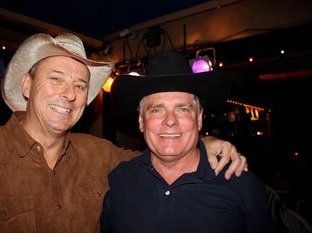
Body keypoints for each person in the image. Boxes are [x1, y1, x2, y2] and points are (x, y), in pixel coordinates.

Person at [0, 33, 247, 233]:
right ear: (27, 85)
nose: (69, 95)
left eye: (79, 85)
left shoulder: (101, 156)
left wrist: (204, 141)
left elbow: (164, 156)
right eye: (55, 78)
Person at [101, 50, 275, 233]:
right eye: (156, 110)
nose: (170, 120)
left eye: (183, 109)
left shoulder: (240, 183)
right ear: (141, 122)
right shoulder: (120, 180)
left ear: (199, 119)